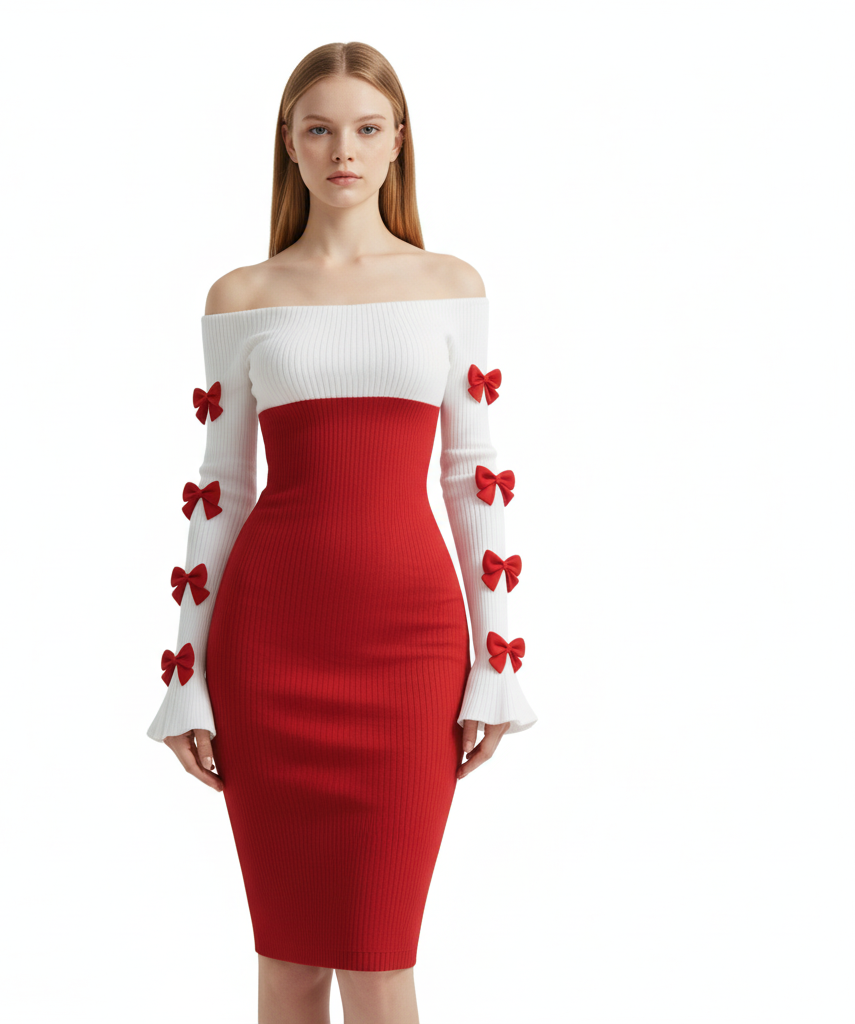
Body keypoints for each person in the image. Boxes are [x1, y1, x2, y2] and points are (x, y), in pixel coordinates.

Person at [146, 40, 538, 1024]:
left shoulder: (450, 284)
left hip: (409, 651)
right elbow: (222, 486)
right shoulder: (241, 296)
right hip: (269, 648)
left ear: (400, 141)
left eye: (366, 128)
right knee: (286, 963)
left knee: (378, 961)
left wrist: (496, 661)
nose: (343, 151)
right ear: (289, 142)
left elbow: (473, 474)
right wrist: (185, 673)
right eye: (319, 129)